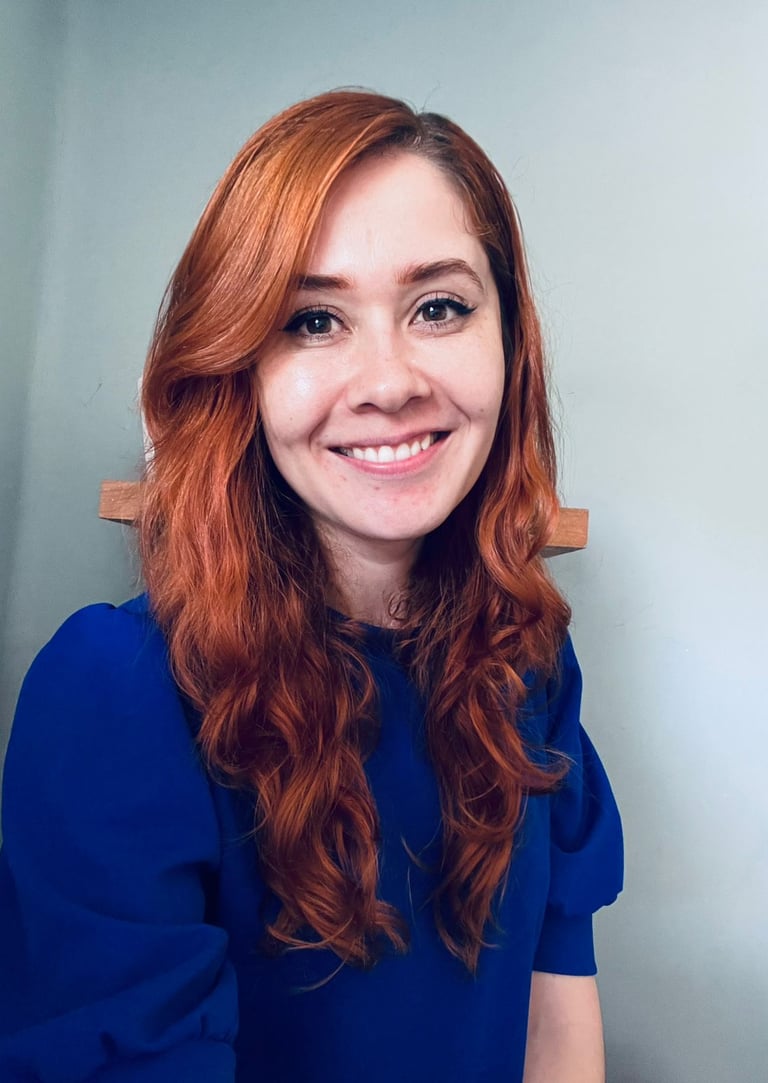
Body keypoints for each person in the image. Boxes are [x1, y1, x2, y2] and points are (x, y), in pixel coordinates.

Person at [0, 90, 622, 1082]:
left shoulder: (529, 662)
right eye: (314, 320)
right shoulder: (116, 690)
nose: (388, 380)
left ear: (510, 342)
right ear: (237, 365)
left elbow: (556, 1012)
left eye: (440, 307)